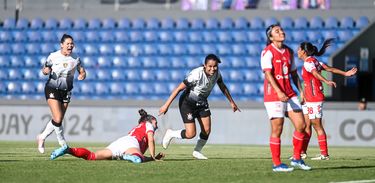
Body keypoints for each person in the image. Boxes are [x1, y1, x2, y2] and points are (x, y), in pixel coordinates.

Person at [159, 54, 240, 160]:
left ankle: (197, 151)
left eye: (215, 66)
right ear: (204, 66)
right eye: (210, 66)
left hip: (202, 103)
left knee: (206, 130)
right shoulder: (196, 74)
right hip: (187, 103)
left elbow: (222, 86)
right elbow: (179, 88)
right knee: (191, 134)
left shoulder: (217, 74)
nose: (212, 69)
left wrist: (232, 102)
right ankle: (171, 133)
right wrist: (166, 105)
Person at [261, 24, 311, 172]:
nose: (281, 32)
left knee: (301, 125)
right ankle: (277, 164)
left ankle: (296, 158)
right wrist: (279, 91)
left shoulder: (288, 51)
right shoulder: (267, 52)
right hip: (274, 94)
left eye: (281, 29)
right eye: (277, 31)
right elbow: (268, 74)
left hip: (289, 93)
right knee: (278, 128)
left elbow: (294, 73)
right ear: (271, 37)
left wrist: (301, 91)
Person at [297, 39, 357, 160]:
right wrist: (345, 74)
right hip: (309, 98)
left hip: (314, 98)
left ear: (303, 52)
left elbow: (315, 73)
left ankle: (324, 154)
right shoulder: (315, 61)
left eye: (299, 49)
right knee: (306, 125)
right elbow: (329, 69)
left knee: (317, 126)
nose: (297, 51)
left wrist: (326, 81)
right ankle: (301, 152)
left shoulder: (309, 63)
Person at [50, 109, 165, 163]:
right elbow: (151, 140)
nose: (156, 126)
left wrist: (151, 159)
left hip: (120, 142)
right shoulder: (148, 124)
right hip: (131, 143)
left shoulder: (139, 127)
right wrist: (153, 156)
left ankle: (68, 150)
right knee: (138, 159)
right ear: (151, 120)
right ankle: (126, 156)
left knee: (92, 156)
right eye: (156, 123)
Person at [36, 34, 86, 154]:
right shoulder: (53, 56)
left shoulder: (76, 58)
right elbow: (44, 70)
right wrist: (45, 71)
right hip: (52, 88)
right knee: (58, 118)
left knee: (58, 119)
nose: (70, 46)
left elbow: (82, 71)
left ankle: (42, 137)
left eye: (71, 44)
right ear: (61, 45)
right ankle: (62, 143)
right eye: (67, 44)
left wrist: (82, 75)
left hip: (66, 91)